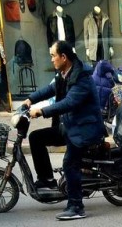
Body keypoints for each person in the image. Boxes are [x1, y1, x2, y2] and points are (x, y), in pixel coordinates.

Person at [23, 40, 105, 220]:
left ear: (63, 57)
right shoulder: (65, 73)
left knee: (70, 163)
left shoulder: (81, 77)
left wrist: (42, 111)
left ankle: (76, 206)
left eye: (53, 56)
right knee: (36, 137)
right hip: (70, 126)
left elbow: (69, 103)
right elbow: (50, 89)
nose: (51, 59)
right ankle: (47, 179)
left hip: (84, 129)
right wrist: (30, 100)